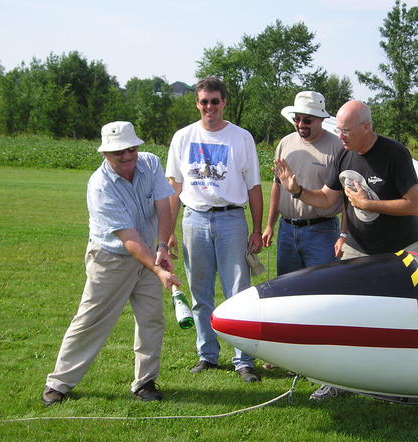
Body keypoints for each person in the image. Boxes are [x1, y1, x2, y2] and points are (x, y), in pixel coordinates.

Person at [273, 100, 418, 400]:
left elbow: (415, 205)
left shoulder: (395, 154)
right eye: (338, 130)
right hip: (357, 248)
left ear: (366, 127)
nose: (339, 135)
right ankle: (338, 381)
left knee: (397, 318)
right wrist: (297, 190)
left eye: (345, 130)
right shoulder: (344, 154)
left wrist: (370, 205)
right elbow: (327, 200)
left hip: (399, 252)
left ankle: (398, 379)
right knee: (345, 315)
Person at [42, 121, 179, 405]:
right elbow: (128, 239)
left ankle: (145, 382)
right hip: (111, 259)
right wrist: (158, 269)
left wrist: (163, 246)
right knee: (91, 321)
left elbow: (164, 205)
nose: (127, 155)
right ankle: (59, 383)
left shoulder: (151, 163)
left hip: (150, 252)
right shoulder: (100, 186)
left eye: (131, 148)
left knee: (152, 320)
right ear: (105, 153)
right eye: (119, 152)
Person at [165, 77, 263, 382]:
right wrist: (167, 232)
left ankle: (243, 359)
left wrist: (257, 228)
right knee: (200, 291)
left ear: (224, 102)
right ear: (197, 103)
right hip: (194, 219)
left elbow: (254, 186)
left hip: (232, 218)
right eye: (204, 101)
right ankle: (207, 354)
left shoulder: (241, 137)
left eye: (215, 101)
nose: (210, 107)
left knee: (239, 291)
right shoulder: (183, 137)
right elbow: (173, 187)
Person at [262, 91, 344, 277]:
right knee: (288, 289)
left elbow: (346, 197)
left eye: (307, 120)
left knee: (324, 289)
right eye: (296, 119)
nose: (300, 124)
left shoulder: (337, 147)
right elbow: (277, 186)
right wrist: (269, 226)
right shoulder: (285, 143)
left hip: (322, 231)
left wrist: (344, 235)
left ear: (321, 119)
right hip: (287, 230)